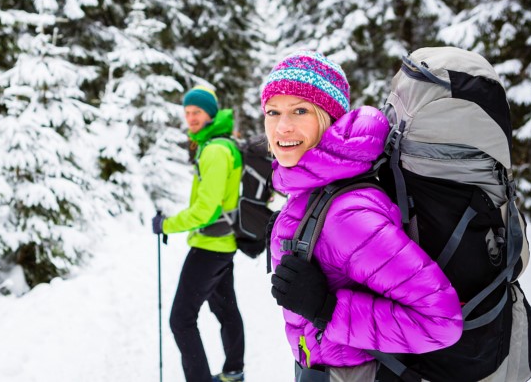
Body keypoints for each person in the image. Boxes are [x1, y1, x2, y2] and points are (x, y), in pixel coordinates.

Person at [262, 50, 464, 381]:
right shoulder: (317, 185)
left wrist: (326, 309)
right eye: (273, 112)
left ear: (328, 118)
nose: (282, 126)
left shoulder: (348, 215)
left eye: (300, 110)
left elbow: (441, 323)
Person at [152, 86, 245, 382]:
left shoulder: (216, 150)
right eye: (188, 112)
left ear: (211, 114)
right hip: (222, 243)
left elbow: (206, 210)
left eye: (197, 112)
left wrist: (166, 225)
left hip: (210, 246)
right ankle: (234, 371)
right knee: (225, 308)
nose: (191, 117)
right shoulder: (216, 144)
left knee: (181, 319)